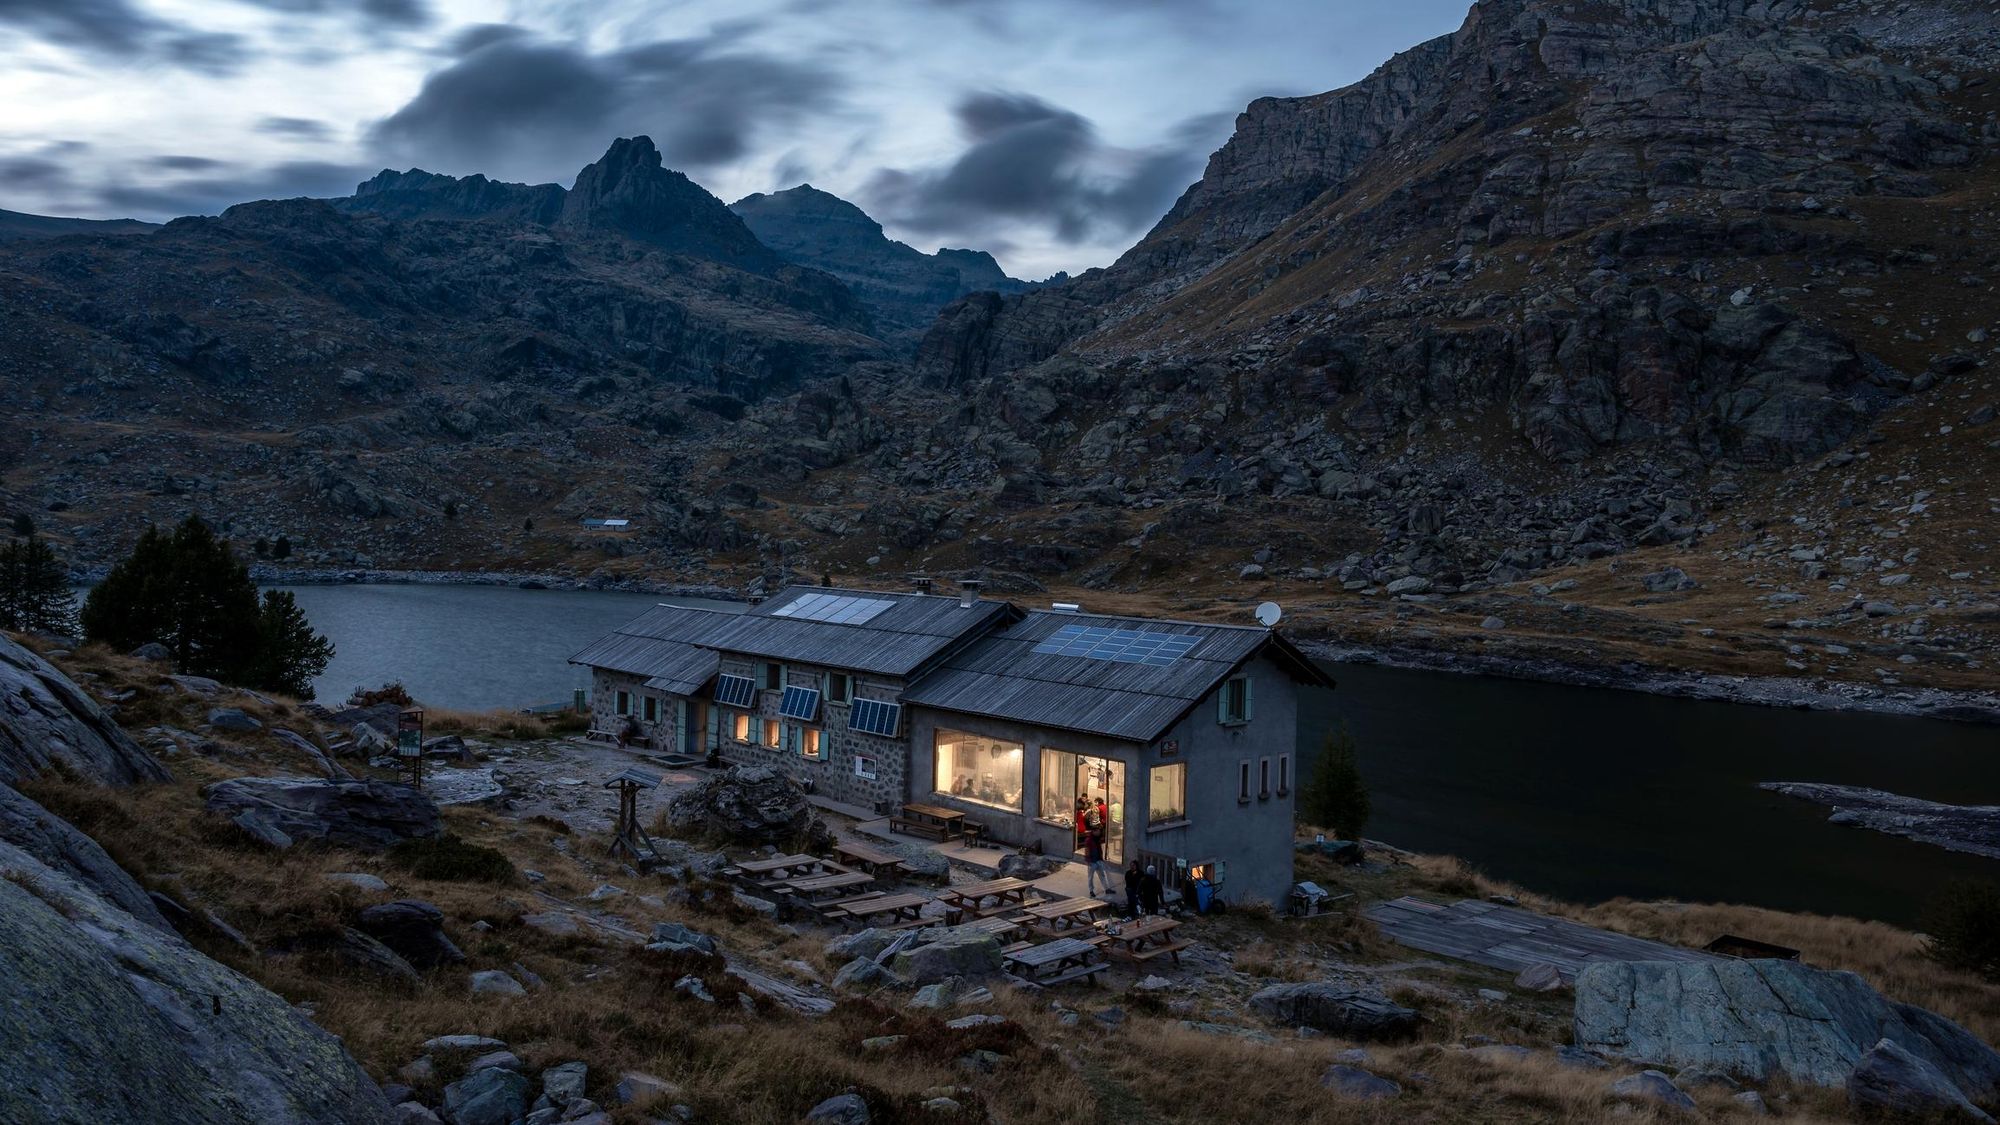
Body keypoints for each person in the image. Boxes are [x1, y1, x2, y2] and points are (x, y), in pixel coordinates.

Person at [1083, 826, 1109, 897]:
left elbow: (1099, 848)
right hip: (1092, 861)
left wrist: (1101, 858)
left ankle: (1106, 889)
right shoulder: (1089, 840)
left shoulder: (1097, 839)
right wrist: (1088, 860)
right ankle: (1091, 890)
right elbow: (1087, 850)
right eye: (1098, 831)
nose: (1099, 832)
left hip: (1098, 860)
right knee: (1090, 877)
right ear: (1094, 831)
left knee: (1102, 875)